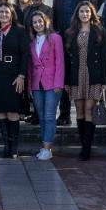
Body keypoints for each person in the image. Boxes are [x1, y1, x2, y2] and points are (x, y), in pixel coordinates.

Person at [52, 0, 95, 127]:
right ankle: (64, 114)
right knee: (64, 79)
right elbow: (55, 19)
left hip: (82, 44)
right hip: (62, 43)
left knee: (80, 78)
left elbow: (93, 20)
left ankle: (85, 114)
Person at [64, 1, 106, 161]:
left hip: (93, 75)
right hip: (76, 75)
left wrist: (105, 81)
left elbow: (104, 58)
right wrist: (66, 81)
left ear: (92, 14)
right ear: (77, 14)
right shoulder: (70, 32)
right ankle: (83, 144)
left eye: (87, 11)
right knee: (80, 110)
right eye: (81, 11)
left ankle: (86, 149)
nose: (84, 14)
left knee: (90, 110)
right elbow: (67, 60)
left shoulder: (99, 31)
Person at [0, 3, 29, 158]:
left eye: (7, 12)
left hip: (14, 75)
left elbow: (25, 54)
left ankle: (14, 148)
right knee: (1, 113)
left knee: (13, 112)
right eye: (1, 11)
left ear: (12, 14)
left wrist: (21, 75)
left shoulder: (19, 31)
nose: (4, 14)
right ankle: (6, 146)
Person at [27, 11, 64, 161]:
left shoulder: (55, 38)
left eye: (40, 21)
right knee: (41, 116)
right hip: (37, 84)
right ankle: (44, 146)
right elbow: (30, 65)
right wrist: (30, 85)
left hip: (52, 83)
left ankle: (47, 149)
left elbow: (60, 62)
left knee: (49, 116)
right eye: (35, 22)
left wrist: (58, 83)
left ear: (45, 21)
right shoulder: (31, 41)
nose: (38, 24)